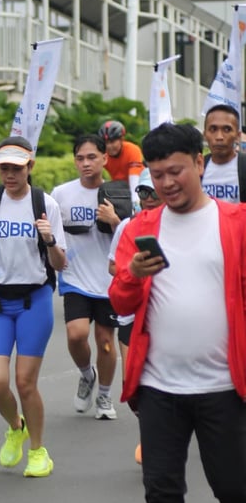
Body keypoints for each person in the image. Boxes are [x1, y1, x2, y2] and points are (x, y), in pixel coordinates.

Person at [109, 122, 246, 503]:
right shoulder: (140, 229)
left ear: (199, 164)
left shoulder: (237, 222)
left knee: (234, 487)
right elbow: (119, 303)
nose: (166, 183)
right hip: (159, 387)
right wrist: (133, 273)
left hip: (224, 386)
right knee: (162, 492)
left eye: (176, 171)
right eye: (157, 175)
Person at [0, 137, 66, 478]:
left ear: (30, 167)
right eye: (4, 168)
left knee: (25, 382)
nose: (9, 175)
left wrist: (49, 239)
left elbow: (61, 263)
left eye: (16, 168)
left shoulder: (45, 204)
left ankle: (38, 451)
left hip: (34, 300)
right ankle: (16, 426)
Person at [51, 134, 121, 420]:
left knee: (105, 342)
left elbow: (131, 234)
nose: (86, 163)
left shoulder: (118, 193)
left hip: (108, 280)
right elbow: (52, 232)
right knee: (76, 334)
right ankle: (86, 374)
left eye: (92, 157)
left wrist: (115, 221)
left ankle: (104, 395)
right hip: (75, 277)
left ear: (105, 158)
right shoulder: (61, 194)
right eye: (80, 158)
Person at [108, 166, 162, 464]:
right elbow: (112, 267)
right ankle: (150, 432)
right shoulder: (127, 227)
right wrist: (134, 270)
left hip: (162, 318)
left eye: (153, 192)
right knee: (134, 383)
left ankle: (154, 437)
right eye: (143, 192)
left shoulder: (176, 225)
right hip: (131, 318)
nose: (148, 198)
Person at [201, 103, 244, 203]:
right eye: (213, 129)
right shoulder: (197, 168)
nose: (219, 137)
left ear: (237, 136)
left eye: (227, 130)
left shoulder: (243, 166)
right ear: (205, 135)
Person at [98, 120, 144, 204]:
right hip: (118, 190)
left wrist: (135, 203)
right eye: (106, 143)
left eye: (112, 142)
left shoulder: (132, 150)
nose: (109, 146)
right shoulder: (103, 155)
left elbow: (134, 181)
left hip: (139, 187)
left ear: (121, 139)